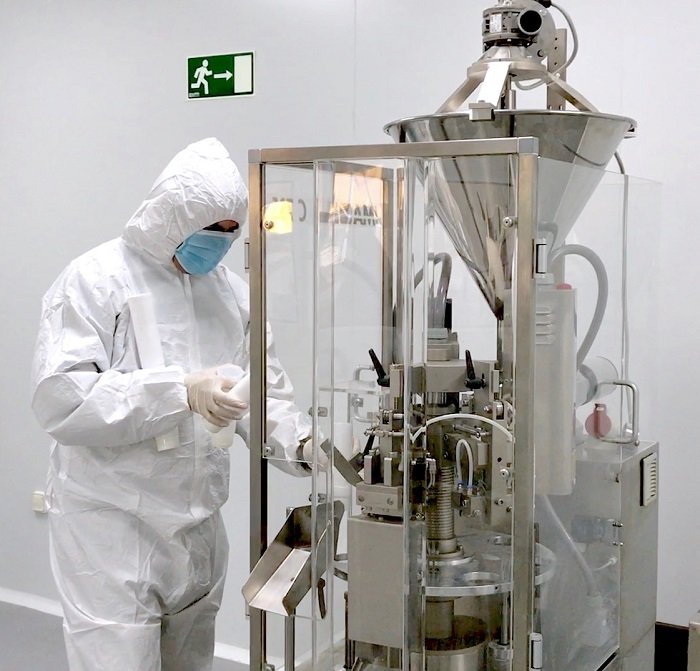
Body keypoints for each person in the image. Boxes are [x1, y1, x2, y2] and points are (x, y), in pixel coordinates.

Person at [31, 138, 314, 671]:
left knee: (190, 662)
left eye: (231, 230)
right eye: (211, 228)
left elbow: (263, 392)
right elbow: (61, 400)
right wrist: (177, 391)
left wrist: (301, 444)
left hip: (198, 526)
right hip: (111, 527)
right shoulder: (95, 280)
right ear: (171, 217)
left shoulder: (232, 294)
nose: (221, 241)